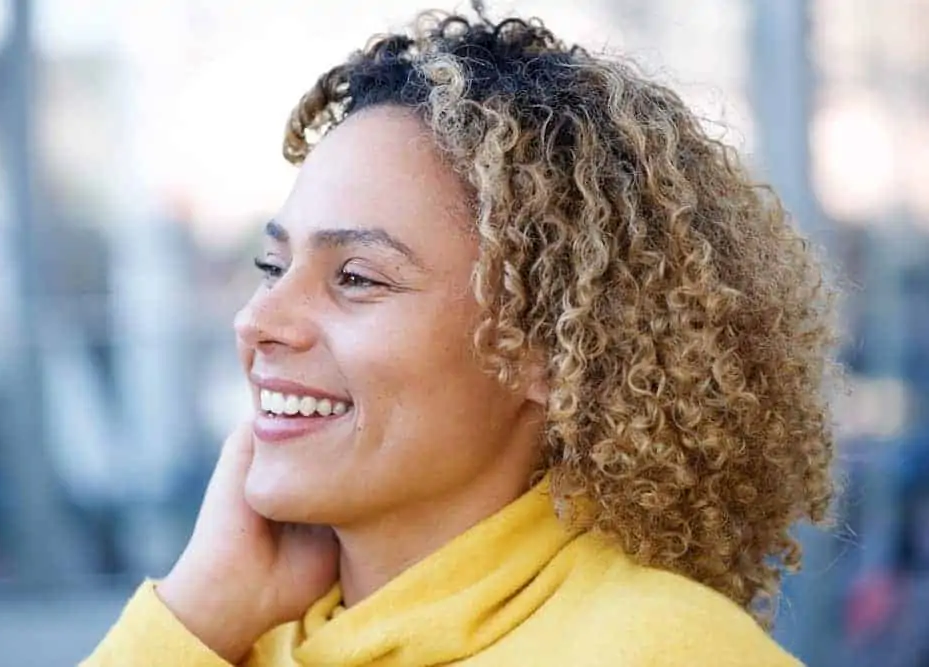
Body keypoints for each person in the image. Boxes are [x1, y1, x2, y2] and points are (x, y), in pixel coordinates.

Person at [82, 6, 837, 666]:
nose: (257, 320)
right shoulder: (217, 642)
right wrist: (194, 613)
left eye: (356, 277)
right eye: (270, 265)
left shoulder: (665, 652)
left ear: (549, 344)